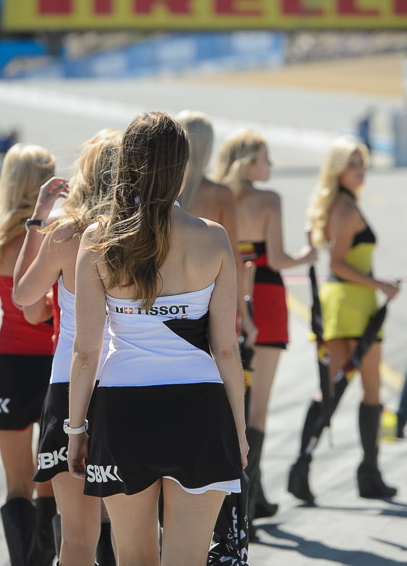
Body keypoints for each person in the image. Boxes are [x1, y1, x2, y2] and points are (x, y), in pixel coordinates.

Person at [66, 112, 247, 566]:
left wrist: (75, 431)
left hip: (123, 409)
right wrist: (240, 433)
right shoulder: (213, 238)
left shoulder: (99, 238)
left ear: (125, 165)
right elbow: (226, 349)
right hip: (200, 409)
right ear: (183, 169)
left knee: (134, 558)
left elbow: (86, 352)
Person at [13, 130, 122, 566]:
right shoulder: (145, 233)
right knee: (134, 538)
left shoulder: (66, 233)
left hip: (68, 385)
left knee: (77, 540)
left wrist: (37, 221)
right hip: (129, 382)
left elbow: (23, 296)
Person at [288, 135, 400, 504]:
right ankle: (350, 471)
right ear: (337, 170)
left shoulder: (344, 203)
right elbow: (336, 264)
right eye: (352, 164)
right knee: (350, 389)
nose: (360, 169)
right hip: (352, 305)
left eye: (362, 162)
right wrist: (380, 284)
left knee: (353, 389)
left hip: (353, 304)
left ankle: (338, 470)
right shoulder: (346, 208)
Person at [214, 129, 317, 529]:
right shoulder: (269, 199)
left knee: (228, 401)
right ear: (248, 162)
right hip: (266, 298)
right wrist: (307, 255)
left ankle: (235, 496)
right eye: (265, 158)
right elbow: (275, 258)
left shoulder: (216, 196)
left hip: (224, 295)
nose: (271, 165)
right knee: (258, 406)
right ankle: (249, 498)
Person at [0, 143, 57, 566]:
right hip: (53, 366)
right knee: (50, 481)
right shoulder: (57, 231)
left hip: (8, 366)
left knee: (17, 486)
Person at [177, 110, 257, 348]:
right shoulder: (220, 194)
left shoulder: (165, 191)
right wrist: (244, 315)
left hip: (167, 298)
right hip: (208, 298)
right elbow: (234, 258)